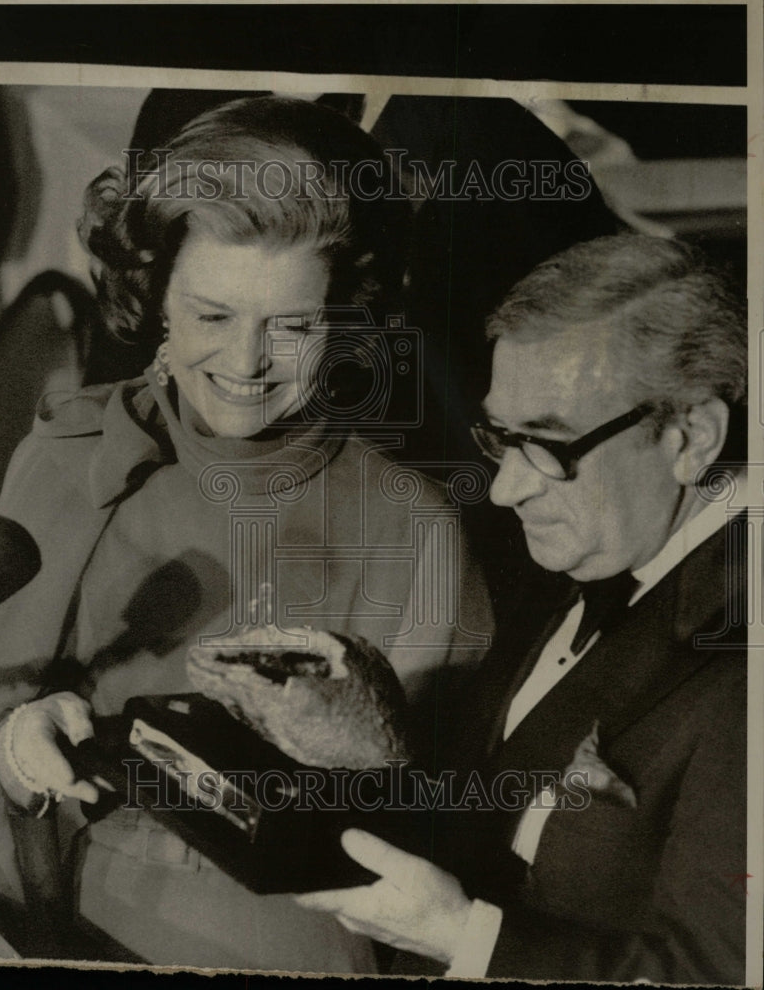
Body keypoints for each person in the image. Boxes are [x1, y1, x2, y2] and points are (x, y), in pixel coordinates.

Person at [0, 96, 493, 970]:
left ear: (345, 314)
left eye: (293, 325)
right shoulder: (65, 447)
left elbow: (436, 840)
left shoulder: (414, 525)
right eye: (213, 315)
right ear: (155, 298)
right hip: (21, 921)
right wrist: (13, 748)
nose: (247, 363)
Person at [296, 233, 748, 985]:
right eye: (503, 438)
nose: (506, 489)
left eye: (547, 444)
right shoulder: (582, 547)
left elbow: (721, 974)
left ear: (692, 436)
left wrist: (460, 938)